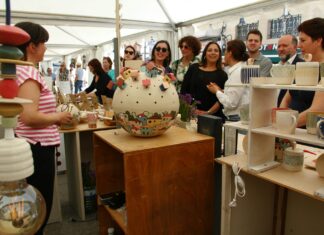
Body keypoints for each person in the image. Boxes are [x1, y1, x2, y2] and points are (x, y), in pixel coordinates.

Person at [15, 21, 72, 235]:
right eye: (44, 43)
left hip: (32, 145)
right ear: (32, 46)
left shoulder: (20, 70)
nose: (46, 48)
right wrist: (58, 116)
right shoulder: (28, 73)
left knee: (32, 209)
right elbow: (29, 116)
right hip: (36, 148)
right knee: (38, 209)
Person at [280, 17, 324, 127]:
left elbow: (316, 110)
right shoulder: (303, 66)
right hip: (292, 133)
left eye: (303, 40)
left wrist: (286, 124)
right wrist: (280, 118)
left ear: (319, 41)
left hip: (309, 137)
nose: (299, 45)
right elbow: (287, 98)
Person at [180, 41, 228, 122]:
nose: (213, 52)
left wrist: (207, 113)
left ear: (219, 54)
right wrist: (191, 110)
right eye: (209, 50)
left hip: (213, 118)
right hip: (191, 116)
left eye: (216, 51)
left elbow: (221, 100)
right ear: (205, 53)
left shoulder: (223, 75)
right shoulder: (193, 68)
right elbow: (183, 91)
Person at [207, 39, 249, 121]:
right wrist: (220, 90)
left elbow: (231, 103)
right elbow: (238, 95)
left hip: (236, 118)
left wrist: (217, 91)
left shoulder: (238, 72)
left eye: (225, 51)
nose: (224, 54)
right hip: (240, 117)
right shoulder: (241, 69)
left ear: (230, 53)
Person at [276, 34, 304, 106]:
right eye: (279, 46)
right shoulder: (275, 67)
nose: (281, 49)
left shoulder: (302, 66)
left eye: (285, 46)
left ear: (295, 47)